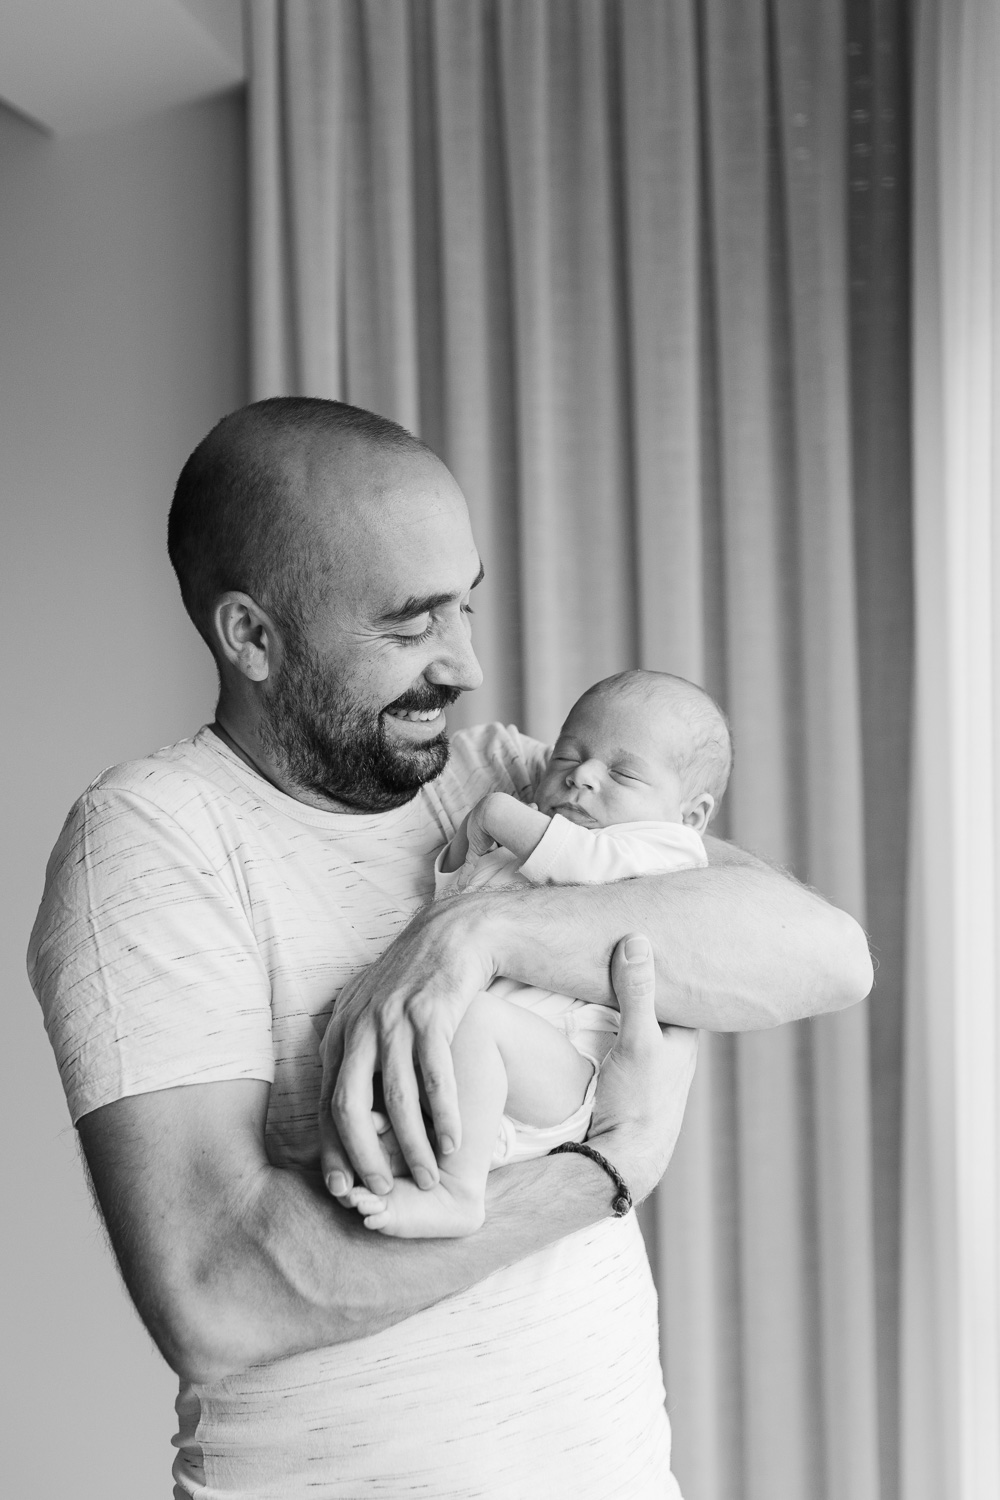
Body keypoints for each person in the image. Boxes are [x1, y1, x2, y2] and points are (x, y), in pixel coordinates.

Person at [27, 397, 873, 1498]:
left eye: (465, 606)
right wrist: (601, 1172)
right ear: (253, 637)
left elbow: (822, 954)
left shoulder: (504, 777)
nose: (466, 665)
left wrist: (481, 929)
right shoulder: (153, 840)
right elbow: (216, 1294)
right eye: (411, 624)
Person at [340, 668, 731, 1240]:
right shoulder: (539, 836)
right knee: (390, 1013)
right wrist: (466, 848)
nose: (582, 776)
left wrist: (494, 814)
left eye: (624, 773)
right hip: (497, 1074)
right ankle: (399, 1152)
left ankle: (459, 1196)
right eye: (566, 757)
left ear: (690, 815)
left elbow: (586, 864)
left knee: (473, 1020)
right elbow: (451, 904)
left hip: (566, 1071)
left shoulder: (664, 849)